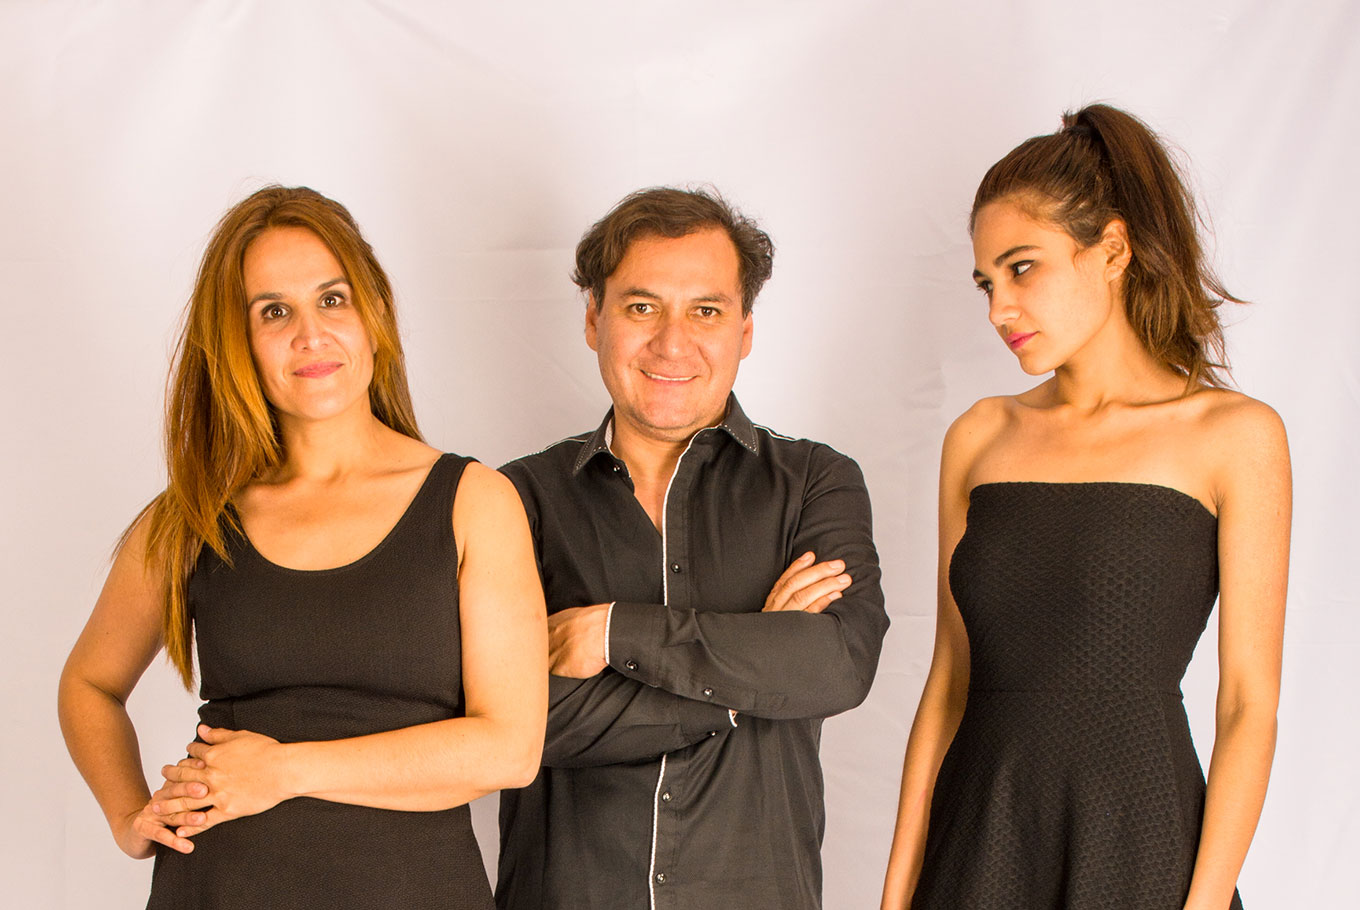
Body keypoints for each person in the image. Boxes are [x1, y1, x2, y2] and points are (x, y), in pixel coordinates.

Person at [57, 186, 548, 909]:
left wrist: (285, 770)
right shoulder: (193, 518)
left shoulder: (473, 502)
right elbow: (89, 685)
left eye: (332, 299)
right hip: (218, 887)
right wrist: (129, 817)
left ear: (373, 313)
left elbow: (509, 749)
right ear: (238, 343)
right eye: (274, 312)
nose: (310, 335)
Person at [880, 105, 1290, 910]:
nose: (999, 309)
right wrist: (896, 897)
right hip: (978, 847)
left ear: (1112, 249)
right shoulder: (980, 436)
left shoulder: (1232, 436)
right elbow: (949, 685)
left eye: (1021, 268)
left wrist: (1202, 906)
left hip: (1143, 853)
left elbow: (1249, 705)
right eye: (986, 283)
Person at [494, 186, 889, 910]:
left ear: (744, 329)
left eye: (705, 311)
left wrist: (614, 633)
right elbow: (513, 720)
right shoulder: (514, 499)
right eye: (642, 307)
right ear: (594, 319)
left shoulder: (815, 482)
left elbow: (835, 665)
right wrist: (753, 679)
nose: (672, 344)